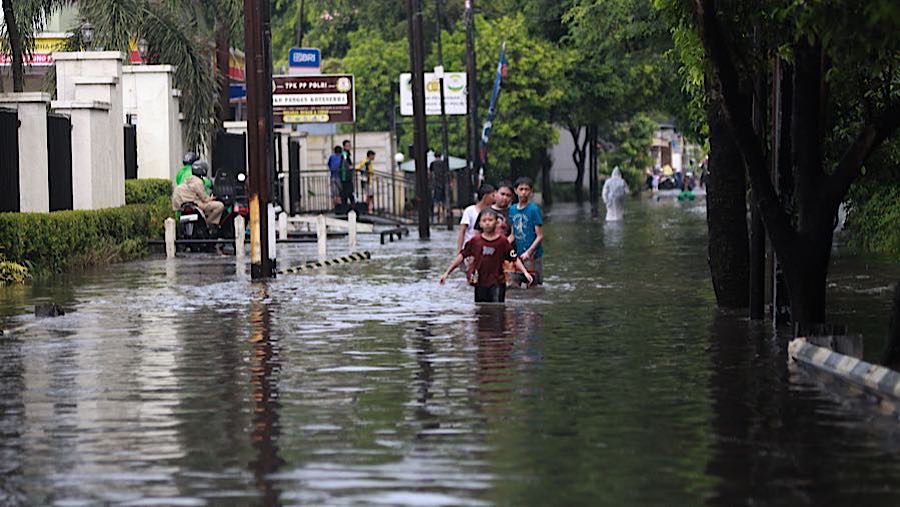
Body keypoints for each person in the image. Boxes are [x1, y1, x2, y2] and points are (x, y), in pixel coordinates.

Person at [440, 208, 533, 303]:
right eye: (484, 220)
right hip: (480, 283)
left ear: (496, 222)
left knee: (497, 310)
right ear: (480, 224)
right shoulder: (475, 241)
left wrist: (525, 272)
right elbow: (461, 256)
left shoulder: (503, 242)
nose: (487, 223)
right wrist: (447, 273)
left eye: (490, 220)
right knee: (481, 311)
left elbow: (514, 258)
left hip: (498, 283)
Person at [509, 176, 544, 285]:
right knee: (514, 284)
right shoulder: (512, 209)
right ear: (515, 191)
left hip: (533, 255)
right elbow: (513, 234)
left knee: (533, 284)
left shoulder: (533, 209)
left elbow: (540, 236)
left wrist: (529, 252)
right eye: (521, 189)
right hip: (517, 254)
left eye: (526, 189)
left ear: (531, 191)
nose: (523, 192)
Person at [172, 160, 224, 227]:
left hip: (181, 205)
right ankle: (208, 224)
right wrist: (211, 198)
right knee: (220, 206)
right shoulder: (199, 182)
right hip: (195, 204)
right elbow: (205, 199)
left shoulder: (188, 179)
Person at [457, 184, 496, 252]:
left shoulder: (492, 212)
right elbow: (462, 231)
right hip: (469, 249)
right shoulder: (469, 211)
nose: (495, 198)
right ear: (485, 196)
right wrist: (459, 251)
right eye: (492, 195)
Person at [430, 151, 449, 219]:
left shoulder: (432, 163)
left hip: (436, 183)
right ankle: (444, 212)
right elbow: (446, 172)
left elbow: (431, 173)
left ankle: (438, 211)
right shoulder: (443, 163)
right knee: (443, 199)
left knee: (436, 199)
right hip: (442, 182)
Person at [340, 139, 355, 206]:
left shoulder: (347, 154)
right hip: (345, 176)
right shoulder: (344, 154)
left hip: (347, 176)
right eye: (347, 146)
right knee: (347, 191)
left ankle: (348, 204)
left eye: (349, 145)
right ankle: (348, 204)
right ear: (344, 146)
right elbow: (345, 162)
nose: (349, 147)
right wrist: (350, 167)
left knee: (348, 191)